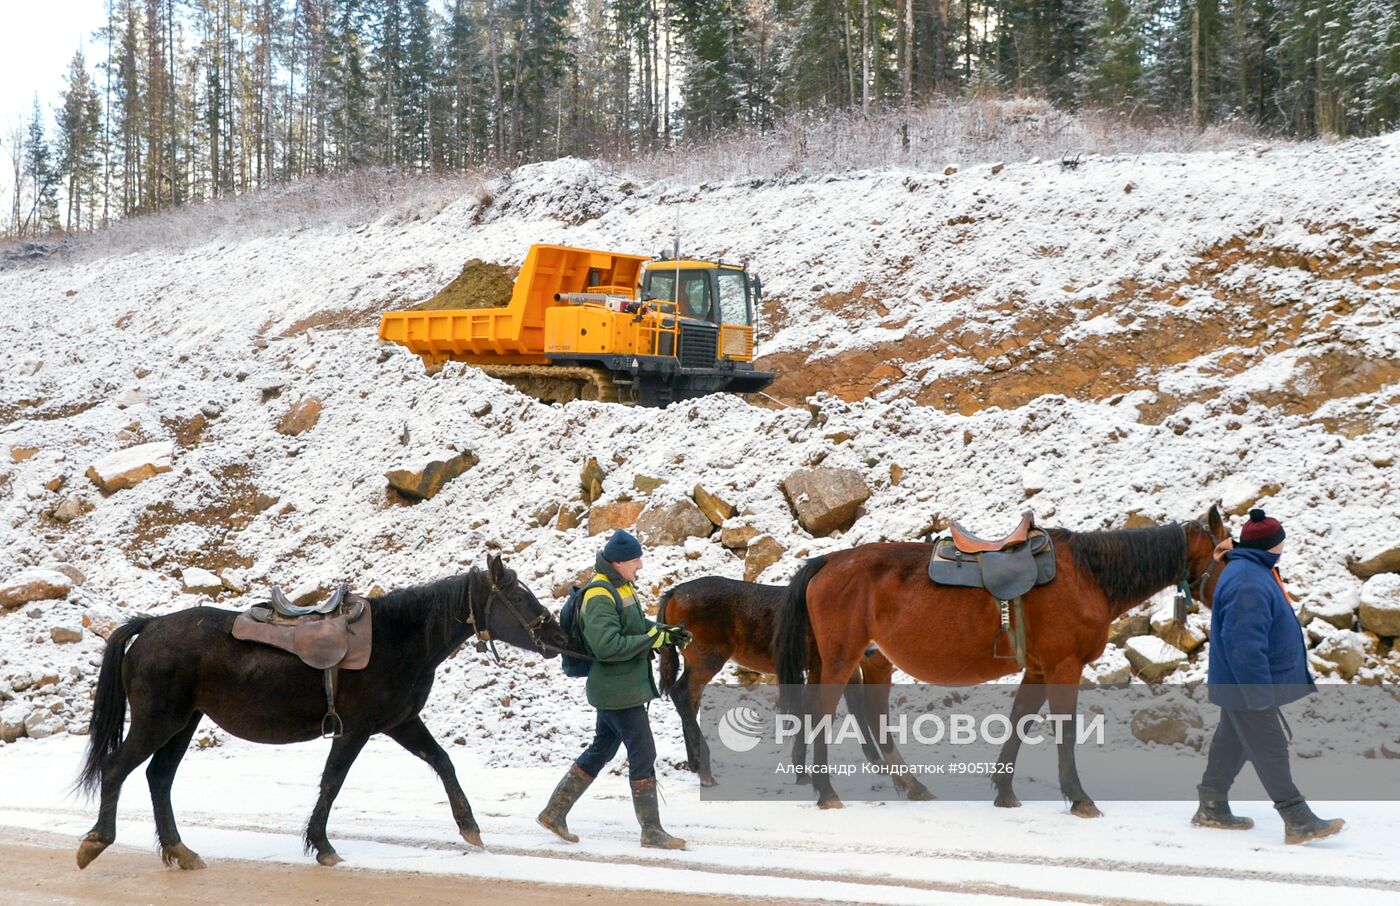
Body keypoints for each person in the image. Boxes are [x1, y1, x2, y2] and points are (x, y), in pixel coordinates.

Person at [1194, 508, 1345, 844]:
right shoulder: (1248, 581)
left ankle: (1211, 804)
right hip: (1247, 686)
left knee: (1233, 742)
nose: (1283, 548)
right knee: (1270, 745)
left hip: (1240, 686)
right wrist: (1259, 695)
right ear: (1271, 546)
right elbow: (1244, 647)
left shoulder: (1252, 568)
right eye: (1281, 543)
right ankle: (1297, 818)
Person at [537, 529, 690, 849]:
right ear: (619, 562)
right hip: (618, 692)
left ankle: (554, 811)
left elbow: (635, 627)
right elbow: (607, 646)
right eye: (636, 560)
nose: (641, 565)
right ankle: (652, 831)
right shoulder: (599, 595)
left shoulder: (622, 588)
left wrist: (665, 632)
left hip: (620, 688)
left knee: (601, 750)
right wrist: (653, 640)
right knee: (643, 753)